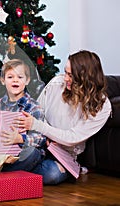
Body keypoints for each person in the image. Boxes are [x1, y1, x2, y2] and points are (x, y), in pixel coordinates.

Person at [17, 50, 112, 184]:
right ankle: (9, 178)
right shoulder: (57, 84)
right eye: (65, 72)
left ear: (85, 78)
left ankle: (11, 175)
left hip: (62, 154)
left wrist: (40, 127)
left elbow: (73, 137)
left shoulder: (102, 106)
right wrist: (45, 136)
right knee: (31, 153)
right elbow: (37, 112)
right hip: (40, 144)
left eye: (71, 75)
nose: (65, 78)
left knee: (53, 174)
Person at [0, 59, 46, 172]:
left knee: (33, 153)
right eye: (10, 77)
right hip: (3, 151)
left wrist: (20, 138)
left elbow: (40, 138)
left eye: (20, 77)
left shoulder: (34, 107)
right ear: (3, 81)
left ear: (27, 80)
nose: (15, 80)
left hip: (22, 152)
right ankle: (2, 169)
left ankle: (3, 173)